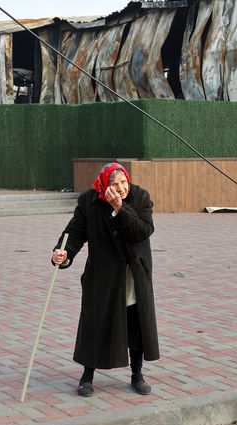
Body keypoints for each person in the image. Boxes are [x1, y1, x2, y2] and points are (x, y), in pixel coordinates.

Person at [51, 162, 159, 397]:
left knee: (136, 325)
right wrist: (63, 252)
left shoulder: (140, 197)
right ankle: (87, 376)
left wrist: (121, 209)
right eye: (114, 184)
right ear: (103, 184)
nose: (120, 188)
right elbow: (75, 232)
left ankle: (137, 374)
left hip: (133, 275)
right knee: (95, 324)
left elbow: (143, 230)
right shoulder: (90, 201)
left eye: (123, 182)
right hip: (102, 275)